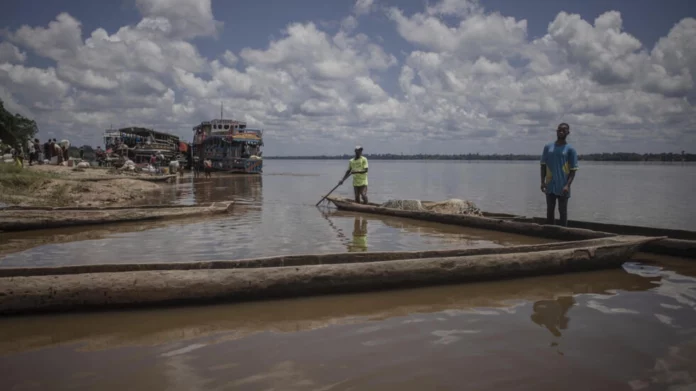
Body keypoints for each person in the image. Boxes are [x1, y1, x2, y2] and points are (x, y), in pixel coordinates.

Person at [540, 123, 578, 226]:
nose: (561, 132)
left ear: (568, 133)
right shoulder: (548, 147)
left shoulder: (570, 150)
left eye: (563, 130)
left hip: (563, 186)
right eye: (559, 130)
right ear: (556, 131)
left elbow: (573, 170)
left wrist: (567, 185)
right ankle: (549, 234)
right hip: (550, 184)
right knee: (550, 211)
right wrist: (542, 182)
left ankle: (564, 233)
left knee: (563, 211)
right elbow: (543, 165)